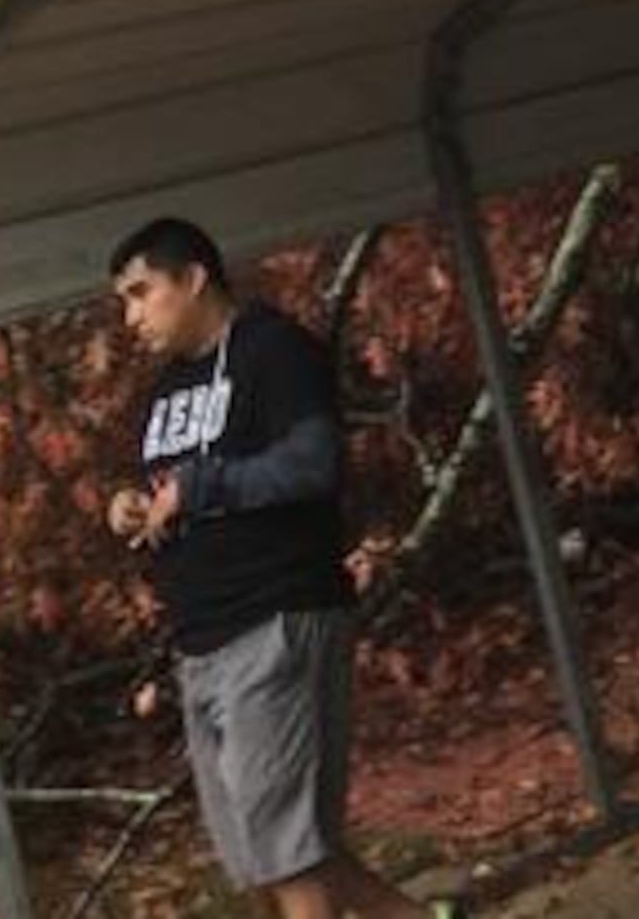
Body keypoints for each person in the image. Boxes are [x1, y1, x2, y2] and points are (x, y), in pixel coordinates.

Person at [104, 218, 454, 919]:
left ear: (194, 277)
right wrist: (135, 510)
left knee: (286, 853)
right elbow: (178, 491)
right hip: (200, 644)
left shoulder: (275, 351)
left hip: (275, 621)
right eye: (123, 302)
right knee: (274, 853)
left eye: (141, 292)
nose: (131, 316)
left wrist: (202, 487)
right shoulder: (167, 390)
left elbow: (310, 464)